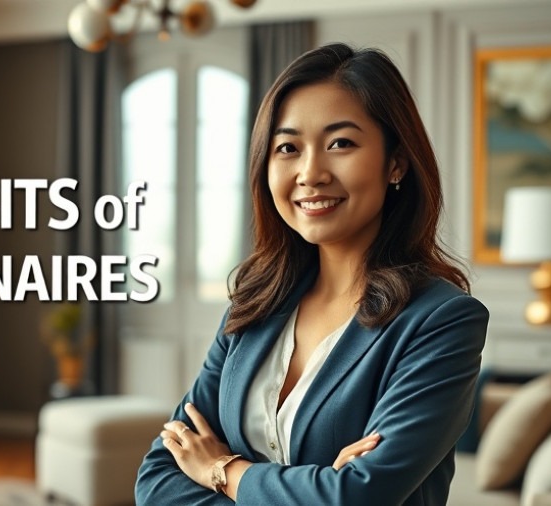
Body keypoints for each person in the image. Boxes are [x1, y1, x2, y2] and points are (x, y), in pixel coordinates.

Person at [134, 42, 489, 505]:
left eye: (341, 143)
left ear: (396, 162)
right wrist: (315, 486)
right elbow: (158, 478)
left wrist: (222, 470)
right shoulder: (255, 305)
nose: (310, 172)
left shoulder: (442, 321)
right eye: (288, 148)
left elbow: (357, 497)